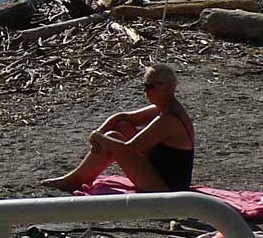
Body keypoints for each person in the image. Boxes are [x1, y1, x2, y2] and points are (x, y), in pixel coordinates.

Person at [41, 63, 194, 192]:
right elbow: (122, 117)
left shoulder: (169, 119)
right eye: (144, 86)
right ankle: (75, 178)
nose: (145, 91)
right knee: (121, 127)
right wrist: (98, 132)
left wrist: (100, 139)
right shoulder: (164, 108)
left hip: (168, 189)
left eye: (150, 86)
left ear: (167, 87)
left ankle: (72, 180)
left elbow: (130, 148)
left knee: (112, 139)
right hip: (159, 173)